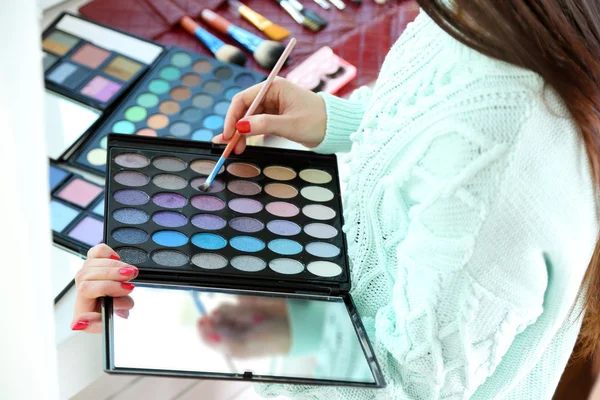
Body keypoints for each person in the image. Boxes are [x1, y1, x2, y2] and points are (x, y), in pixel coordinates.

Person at [72, 1, 600, 398]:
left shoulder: (506, 141)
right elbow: (437, 128)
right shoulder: (479, 15)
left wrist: (195, 311)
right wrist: (339, 121)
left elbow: (398, 387)